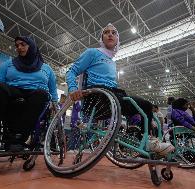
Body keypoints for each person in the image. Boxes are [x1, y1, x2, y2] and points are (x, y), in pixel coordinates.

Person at [66, 23, 174, 156]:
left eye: (114, 32)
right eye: (106, 32)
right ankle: (148, 141)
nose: (110, 34)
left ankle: (147, 140)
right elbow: (71, 71)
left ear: (117, 39)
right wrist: (72, 88)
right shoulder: (92, 52)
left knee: (146, 106)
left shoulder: (112, 61)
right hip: (96, 96)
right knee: (130, 103)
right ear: (102, 38)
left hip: (112, 96)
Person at [0, 36, 58, 154]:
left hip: (36, 93)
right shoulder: (8, 64)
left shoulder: (47, 68)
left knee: (41, 95)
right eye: (17, 45)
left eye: (22, 44)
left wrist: (55, 106)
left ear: (31, 46)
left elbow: (53, 90)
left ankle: (18, 139)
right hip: (13, 90)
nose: (19, 47)